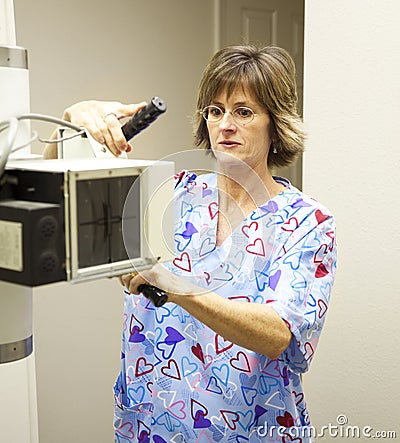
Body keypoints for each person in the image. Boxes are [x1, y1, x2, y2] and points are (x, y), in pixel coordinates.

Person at [52, 46, 337, 442]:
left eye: (243, 111)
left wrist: (172, 284)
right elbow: (56, 212)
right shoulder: (173, 193)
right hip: (151, 425)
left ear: (276, 126)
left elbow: (281, 334)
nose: (225, 124)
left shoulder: (307, 222)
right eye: (215, 110)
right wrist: (69, 127)